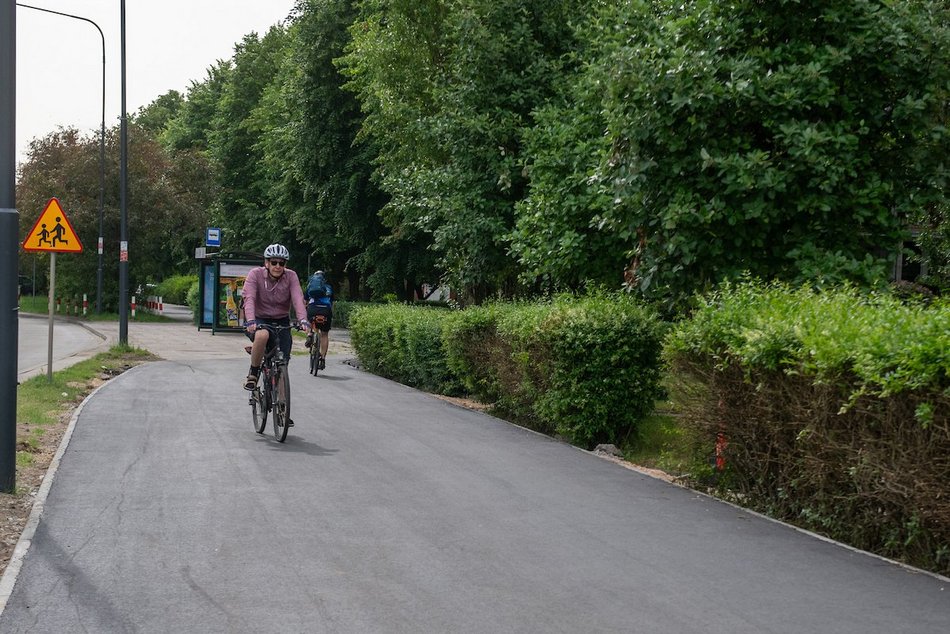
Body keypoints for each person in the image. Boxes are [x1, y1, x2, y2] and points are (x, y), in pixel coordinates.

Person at [242, 244, 309, 392]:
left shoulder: (291, 276)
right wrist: (251, 320)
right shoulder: (255, 274)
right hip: (259, 319)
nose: (278, 266)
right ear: (267, 263)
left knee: (283, 362)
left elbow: (298, 298)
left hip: (281, 320)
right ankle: (253, 374)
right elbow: (250, 298)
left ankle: (282, 408)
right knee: (262, 335)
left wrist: (303, 319)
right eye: (274, 262)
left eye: (281, 263)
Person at [305, 270, 333, 370]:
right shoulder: (328, 287)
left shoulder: (310, 286)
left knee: (309, 321)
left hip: (313, 309)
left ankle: (309, 335)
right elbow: (331, 302)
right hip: (326, 310)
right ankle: (323, 359)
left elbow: (306, 301)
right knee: (324, 334)